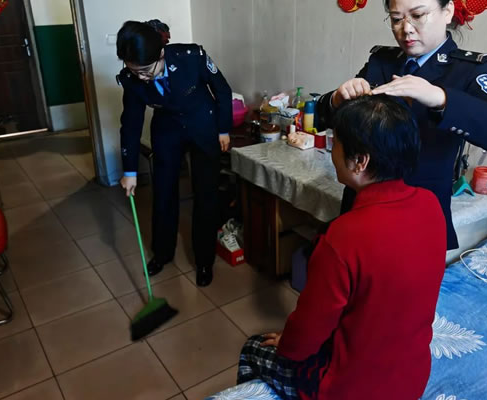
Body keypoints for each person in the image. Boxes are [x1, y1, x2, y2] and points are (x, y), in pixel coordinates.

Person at [236, 95, 447, 400]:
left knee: (254, 348)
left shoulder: (344, 236)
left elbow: (307, 332)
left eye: (335, 143)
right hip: (412, 378)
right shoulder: (430, 205)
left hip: (352, 389)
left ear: (360, 161)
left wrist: (287, 344)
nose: (331, 150)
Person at [317, 0, 487, 251]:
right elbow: (323, 117)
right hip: (360, 210)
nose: (406, 28)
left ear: (447, 11)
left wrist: (440, 98)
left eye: (418, 15)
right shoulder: (383, 61)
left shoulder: (467, 71)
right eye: (396, 19)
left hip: (419, 220)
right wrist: (337, 99)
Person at [116, 20, 232, 286]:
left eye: (145, 70)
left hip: (202, 123)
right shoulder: (132, 80)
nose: (141, 77)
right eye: (134, 71)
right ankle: (162, 253)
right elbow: (130, 125)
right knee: (163, 192)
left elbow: (222, 90)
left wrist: (223, 129)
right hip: (167, 128)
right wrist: (130, 171)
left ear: (161, 54)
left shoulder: (191, 57)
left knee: (206, 193)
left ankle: (204, 261)